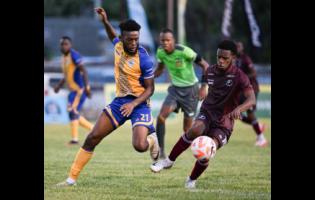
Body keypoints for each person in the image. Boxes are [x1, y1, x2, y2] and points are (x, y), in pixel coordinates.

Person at [56, 7, 159, 186]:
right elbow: (112, 35)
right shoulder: (119, 45)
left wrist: (134, 104)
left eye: (137, 38)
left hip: (139, 102)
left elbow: (150, 89)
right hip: (120, 102)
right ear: (123, 38)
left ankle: (151, 140)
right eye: (130, 39)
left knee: (139, 146)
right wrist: (105, 21)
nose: (134, 42)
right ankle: (71, 179)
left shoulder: (144, 59)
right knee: (92, 137)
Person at [150, 40, 256, 189]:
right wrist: (203, 88)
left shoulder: (240, 76)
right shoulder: (210, 70)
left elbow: (252, 99)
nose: (220, 60)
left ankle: (191, 180)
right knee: (194, 130)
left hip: (224, 121)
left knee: (207, 149)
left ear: (233, 58)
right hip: (207, 112)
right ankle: (168, 161)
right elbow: (205, 82)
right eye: (218, 56)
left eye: (225, 58)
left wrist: (240, 108)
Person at [154, 28, 209, 158]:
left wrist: (204, 86)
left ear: (173, 40)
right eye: (162, 40)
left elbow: (205, 65)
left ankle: (206, 145)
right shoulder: (160, 52)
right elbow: (160, 67)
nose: (165, 43)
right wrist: (153, 74)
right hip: (175, 90)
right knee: (161, 117)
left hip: (191, 91)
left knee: (187, 130)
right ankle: (160, 151)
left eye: (167, 40)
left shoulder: (185, 51)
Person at [54, 36, 94, 145]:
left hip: (79, 90)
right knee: (72, 113)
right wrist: (58, 86)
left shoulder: (74, 55)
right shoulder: (63, 58)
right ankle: (92, 129)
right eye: (62, 44)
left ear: (70, 45)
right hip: (72, 91)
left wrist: (87, 87)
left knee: (73, 111)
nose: (64, 46)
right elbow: (66, 75)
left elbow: (84, 70)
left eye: (66, 44)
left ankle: (75, 139)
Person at [236, 41, 267, 147]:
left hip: (251, 89)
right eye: (236, 47)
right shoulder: (234, 59)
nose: (237, 48)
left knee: (249, 113)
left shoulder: (246, 59)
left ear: (242, 48)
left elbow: (254, 73)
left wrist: (243, 78)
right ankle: (258, 126)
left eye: (239, 47)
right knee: (235, 114)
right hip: (242, 91)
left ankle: (261, 138)